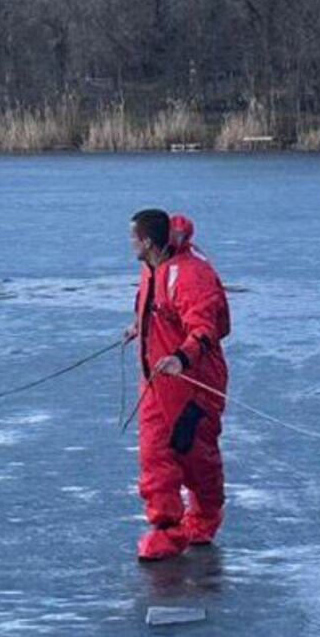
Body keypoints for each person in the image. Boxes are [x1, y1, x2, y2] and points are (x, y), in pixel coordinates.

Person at [125, 209, 231, 561]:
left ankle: (204, 519)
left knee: (196, 458)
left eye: (133, 238)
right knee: (154, 456)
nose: (130, 244)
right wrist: (139, 328)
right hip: (156, 382)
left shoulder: (190, 275)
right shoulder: (151, 268)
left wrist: (181, 359)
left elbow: (204, 328)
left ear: (148, 242)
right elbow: (153, 307)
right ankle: (166, 530)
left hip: (194, 384)